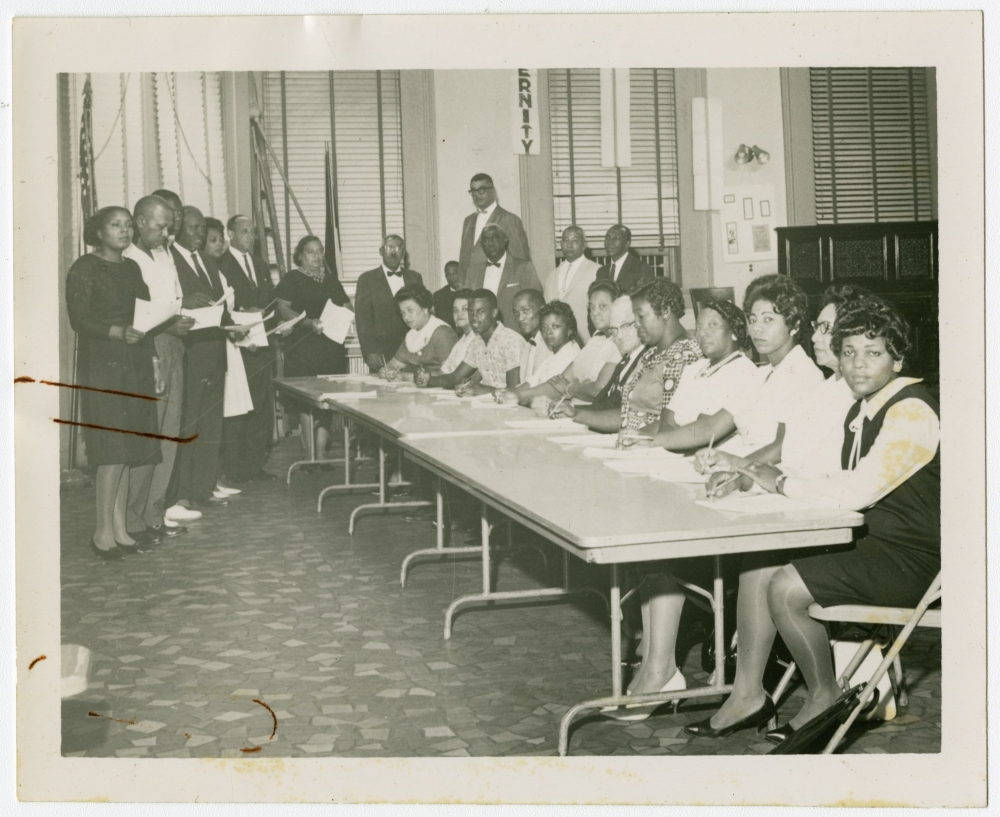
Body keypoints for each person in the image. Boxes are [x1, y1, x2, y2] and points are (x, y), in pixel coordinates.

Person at [717, 297, 939, 742]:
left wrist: (781, 483)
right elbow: (841, 476)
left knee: (785, 588)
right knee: (758, 564)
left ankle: (824, 697)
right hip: (872, 541)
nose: (857, 365)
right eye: (849, 352)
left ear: (898, 358)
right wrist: (769, 477)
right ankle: (748, 695)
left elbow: (857, 491)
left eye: (873, 353)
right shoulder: (867, 405)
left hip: (915, 559)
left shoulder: (910, 409)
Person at [66, 207, 162, 559]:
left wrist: (153, 361)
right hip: (102, 365)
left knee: (127, 449)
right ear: (99, 230)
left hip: (134, 364)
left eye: (127, 225)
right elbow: (79, 320)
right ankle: (101, 532)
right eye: (115, 225)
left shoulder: (133, 268)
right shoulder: (84, 268)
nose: (124, 231)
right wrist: (117, 332)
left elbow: (146, 316)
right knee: (110, 449)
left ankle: (120, 528)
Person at [122, 195, 194, 544]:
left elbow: (173, 300)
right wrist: (167, 327)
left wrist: (181, 321)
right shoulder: (127, 258)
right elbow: (132, 315)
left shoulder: (165, 255)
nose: (167, 233)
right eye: (160, 226)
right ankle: (133, 519)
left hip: (174, 346)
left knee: (169, 433)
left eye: (169, 226)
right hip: (148, 350)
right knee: (148, 436)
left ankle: (153, 513)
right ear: (139, 222)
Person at [166, 206, 243, 515]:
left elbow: (218, 305)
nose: (198, 234)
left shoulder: (209, 261)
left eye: (201, 229)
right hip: (191, 351)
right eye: (193, 228)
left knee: (211, 427)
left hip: (214, 351)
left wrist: (233, 327)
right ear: (179, 228)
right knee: (189, 426)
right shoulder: (169, 259)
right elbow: (163, 300)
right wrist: (184, 301)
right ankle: (182, 495)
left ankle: (204, 487)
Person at [552, 278, 702, 435]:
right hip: (630, 442)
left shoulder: (684, 356)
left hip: (652, 449)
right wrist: (576, 414)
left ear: (665, 311)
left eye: (640, 316)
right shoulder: (651, 353)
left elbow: (672, 424)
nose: (636, 324)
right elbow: (626, 415)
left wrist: (635, 437)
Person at [621, 297, 760, 452]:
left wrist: (652, 442)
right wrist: (638, 436)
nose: (703, 333)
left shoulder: (743, 371)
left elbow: (704, 429)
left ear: (734, 331)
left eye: (712, 325)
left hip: (713, 458)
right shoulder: (695, 368)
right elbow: (667, 421)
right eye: (698, 328)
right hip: (679, 454)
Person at [216, 214, 282, 484]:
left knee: (262, 407)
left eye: (254, 232)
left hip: (262, 343)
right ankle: (235, 468)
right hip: (237, 346)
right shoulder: (219, 263)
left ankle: (255, 465)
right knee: (239, 409)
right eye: (245, 231)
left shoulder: (261, 265)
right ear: (230, 233)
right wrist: (244, 312)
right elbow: (221, 306)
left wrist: (276, 323)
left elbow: (270, 301)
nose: (251, 237)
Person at [273, 235, 352, 458]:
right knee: (306, 401)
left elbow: (346, 304)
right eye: (311, 251)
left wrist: (347, 314)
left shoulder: (330, 279)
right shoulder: (292, 278)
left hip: (330, 347)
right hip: (302, 346)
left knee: (327, 398)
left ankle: (320, 451)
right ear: (300, 255)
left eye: (319, 251)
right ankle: (310, 454)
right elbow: (283, 307)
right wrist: (308, 323)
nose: (317, 256)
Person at [512, 280, 623, 406]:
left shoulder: (620, 342)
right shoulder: (594, 340)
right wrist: (517, 396)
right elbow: (557, 384)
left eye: (602, 306)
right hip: (572, 413)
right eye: (591, 307)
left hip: (591, 417)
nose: (594, 312)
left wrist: (569, 389)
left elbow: (599, 389)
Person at [415, 289, 525, 395]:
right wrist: (428, 380)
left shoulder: (511, 340)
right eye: (471, 312)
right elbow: (455, 377)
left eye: (480, 312)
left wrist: (480, 390)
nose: (474, 318)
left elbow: (514, 391)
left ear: (494, 312)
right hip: (487, 406)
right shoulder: (477, 342)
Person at [355, 235, 424, 372]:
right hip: (381, 353)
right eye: (389, 248)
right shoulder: (366, 279)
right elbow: (363, 319)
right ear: (381, 251)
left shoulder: (415, 277)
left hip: (413, 350)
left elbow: (422, 314)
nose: (393, 252)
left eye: (398, 248)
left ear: (403, 253)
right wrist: (369, 351)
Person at [498, 301, 581, 400]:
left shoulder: (572, 356)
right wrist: (507, 393)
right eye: (544, 327)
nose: (548, 332)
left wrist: (515, 396)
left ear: (569, 330)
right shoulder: (551, 357)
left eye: (555, 326)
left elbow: (550, 391)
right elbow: (529, 384)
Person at [464, 224, 542, 328]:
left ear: (505, 239)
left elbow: (536, 306)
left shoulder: (524, 267)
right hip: (482, 337)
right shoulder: (472, 272)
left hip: (515, 334)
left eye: (495, 237)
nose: (490, 243)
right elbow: (467, 307)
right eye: (486, 239)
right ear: (482, 244)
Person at [459, 173, 530, 278]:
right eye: (473, 191)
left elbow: (521, 259)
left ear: (492, 191)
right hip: (471, 287)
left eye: (481, 190)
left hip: (498, 284)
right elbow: (464, 257)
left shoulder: (510, 219)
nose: (477, 195)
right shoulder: (468, 221)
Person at [379, 285, 459, 379]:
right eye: (402, 313)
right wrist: (384, 371)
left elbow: (450, 374)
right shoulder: (411, 335)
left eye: (410, 310)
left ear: (425, 308)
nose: (406, 317)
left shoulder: (442, 333)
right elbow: (393, 365)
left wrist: (406, 376)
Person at [543, 226, 601, 344]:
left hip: (586, 342)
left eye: (574, 240)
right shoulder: (552, 275)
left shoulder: (597, 271)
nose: (569, 245)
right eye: (565, 240)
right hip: (556, 345)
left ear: (584, 244)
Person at [596, 225, 654, 294]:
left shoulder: (642, 269)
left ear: (627, 244)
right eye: (607, 238)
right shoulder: (601, 272)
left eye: (616, 238)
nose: (609, 242)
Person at [510, 288, 551, 385]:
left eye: (525, 310)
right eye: (516, 313)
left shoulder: (551, 343)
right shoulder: (528, 346)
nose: (520, 318)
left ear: (542, 309)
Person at [438, 289, 477, 375]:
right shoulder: (461, 341)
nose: (459, 313)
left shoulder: (478, 339)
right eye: (455, 310)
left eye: (464, 309)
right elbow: (443, 372)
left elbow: (456, 378)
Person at [433, 260, 464, 329]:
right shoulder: (439, 296)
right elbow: (442, 321)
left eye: (455, 273)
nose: (451, 277)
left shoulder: (469, 290)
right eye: (448, 275)